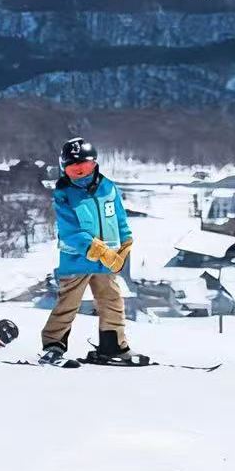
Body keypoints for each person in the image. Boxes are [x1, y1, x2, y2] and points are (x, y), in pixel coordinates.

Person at [40, 137, 135, 366]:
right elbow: (70, 230)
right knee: (68, 303)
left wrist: (125, 242)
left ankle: (112, 346)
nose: (80, 170)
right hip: (77, 259)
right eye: (73, 167)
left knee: (112, 301)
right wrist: (96, 249)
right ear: (65, 169)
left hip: (107, 260)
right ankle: (54, 345)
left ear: (95, 164)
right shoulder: (64, 194)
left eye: (85, 165)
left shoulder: (108, 187)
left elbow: (119, 217)